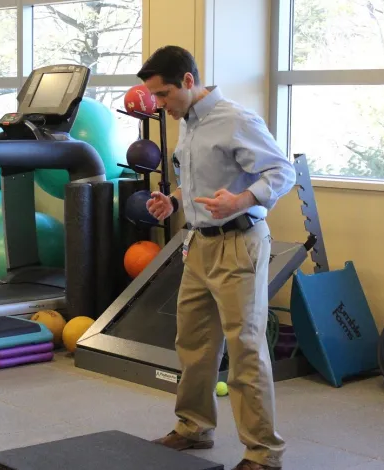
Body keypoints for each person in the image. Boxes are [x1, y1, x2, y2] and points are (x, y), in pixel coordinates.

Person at [140, 46, 295, 470]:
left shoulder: (236, 119)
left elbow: (283, 172)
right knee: (192, 343)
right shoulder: (187, 122)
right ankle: (193, 427)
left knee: (245, 349)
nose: (159, 105)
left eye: (164, 95)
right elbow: (197, 182)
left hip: (238, 243)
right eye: (154, 96)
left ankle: (263, 454)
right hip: (198, 244)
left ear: (189, 82)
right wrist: (173, 202)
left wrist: (242, 199)